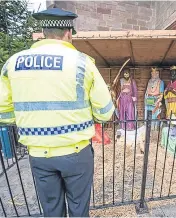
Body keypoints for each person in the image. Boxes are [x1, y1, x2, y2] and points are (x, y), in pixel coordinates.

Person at [0, 6, 114, 217]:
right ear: (68, 33)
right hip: (76, 153)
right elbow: (105, 112)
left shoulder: (12, 64)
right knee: (79, 208)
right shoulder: (82, 63)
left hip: (38, 154)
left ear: (44, 33)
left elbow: (3, 113)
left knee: (51, 210)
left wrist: (31, 121)